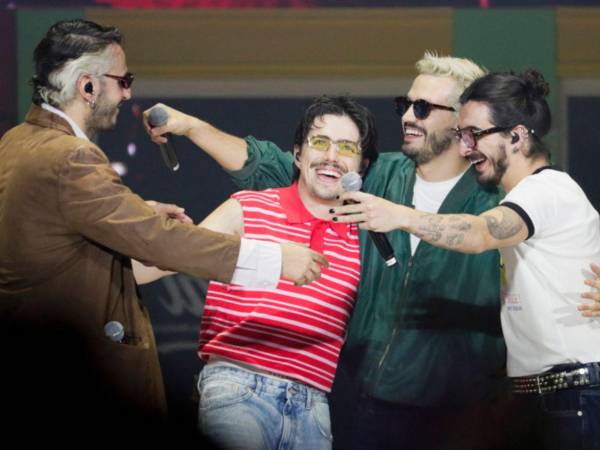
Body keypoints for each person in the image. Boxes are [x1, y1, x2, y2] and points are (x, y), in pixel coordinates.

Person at [145, 52, 507, 450]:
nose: (407, 116)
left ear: (462, 122)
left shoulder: (496, 196)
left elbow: (527, 254)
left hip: (459, 412)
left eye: (422, 108)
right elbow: (276, 166)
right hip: (364, 403)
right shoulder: (376, 177)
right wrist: (192, 127)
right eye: (405, 105)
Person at [0, 18, 327, 427]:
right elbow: (158, 241)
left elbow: (66, 235)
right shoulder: (70, 157)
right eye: (123, 80)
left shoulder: (17, 141)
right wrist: (274, 260)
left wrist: (136, 213)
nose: (128, 93)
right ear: (87, 87)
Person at [333, 69, 600, 450]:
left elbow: (480, 233)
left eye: (474, 134)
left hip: (572, 398)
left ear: (516, 136)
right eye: (461, 134)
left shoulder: (546, 190)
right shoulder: (537, 197)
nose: (465, 147)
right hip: (542, 399)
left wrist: (400, 216)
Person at [137, 95, 378, 450]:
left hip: (314, 406)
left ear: (362, 166)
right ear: (298, 154)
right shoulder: (248, 207)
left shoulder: (367, 237)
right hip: (237, 388)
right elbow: (158, 264)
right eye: (320, 142)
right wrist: (131, 233)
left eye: (346, 147)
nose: (331, 156)